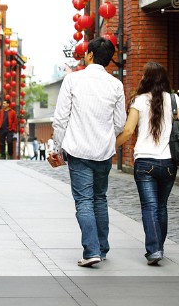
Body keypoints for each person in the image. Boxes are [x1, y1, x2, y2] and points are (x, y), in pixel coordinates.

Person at [51, 38, 126, 267]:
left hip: (78, 150)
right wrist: (104, 136)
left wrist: (57, 148)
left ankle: (91, 250)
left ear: (90, 55)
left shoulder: (73, 80)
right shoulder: (115, 85)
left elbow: (61, 118)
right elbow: (120, 122)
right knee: (99, 199)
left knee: (84, 200)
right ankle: (101, 249)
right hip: (103, 152)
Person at [116, 61, 179, 265]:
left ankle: (155, 250)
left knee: (149, 207)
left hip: (145, 163)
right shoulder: (173, 99)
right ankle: (158, 248)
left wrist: (110, 147)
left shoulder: (138, 101)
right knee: (161, 207)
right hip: (169, 163)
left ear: (145, 79)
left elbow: (128, 131)